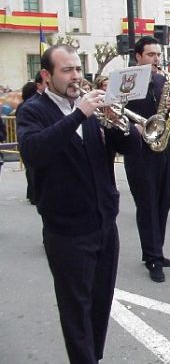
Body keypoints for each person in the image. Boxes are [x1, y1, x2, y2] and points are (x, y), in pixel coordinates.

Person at [16, 44, 141, 363]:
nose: (76, 77)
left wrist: (119, 119)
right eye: (67, 70)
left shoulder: (91, 109)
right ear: (47, 75)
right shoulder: (34, 110)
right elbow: (35, 152)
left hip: (104, 225)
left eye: (78, 69)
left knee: (100, 306)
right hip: (67, 231)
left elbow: (130, 148)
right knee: (76, 313)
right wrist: (78, 115)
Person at [124, 36, 170, 283]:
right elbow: (112, 111)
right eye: (151, 55)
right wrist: (130, 127)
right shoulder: (126, 80)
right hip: (139, 149)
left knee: (163, 201)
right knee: (147, 205)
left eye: (158, 55)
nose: (156, 59)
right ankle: (152, 257)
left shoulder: (162, 80)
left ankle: (158, 248)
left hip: (164, 145)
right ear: (138, 56)